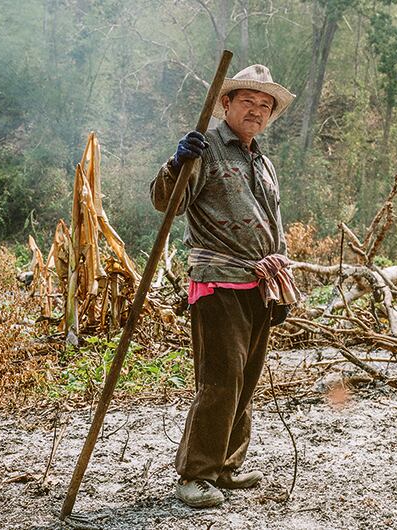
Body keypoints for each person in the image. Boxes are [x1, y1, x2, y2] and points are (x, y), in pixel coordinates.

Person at [150, 64, 301, 508]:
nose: (257, 110)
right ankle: (195, 475)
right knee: (220, 380)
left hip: (260, 285)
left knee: (246, 380)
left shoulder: (263, 160)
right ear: (226, 104)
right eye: (247, 101)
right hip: (220, 283)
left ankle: (226, 468)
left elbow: (273, 225)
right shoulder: (205, 149)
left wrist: (281, 283)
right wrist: (177, 162)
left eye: (265, 105)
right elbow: (166, 202)